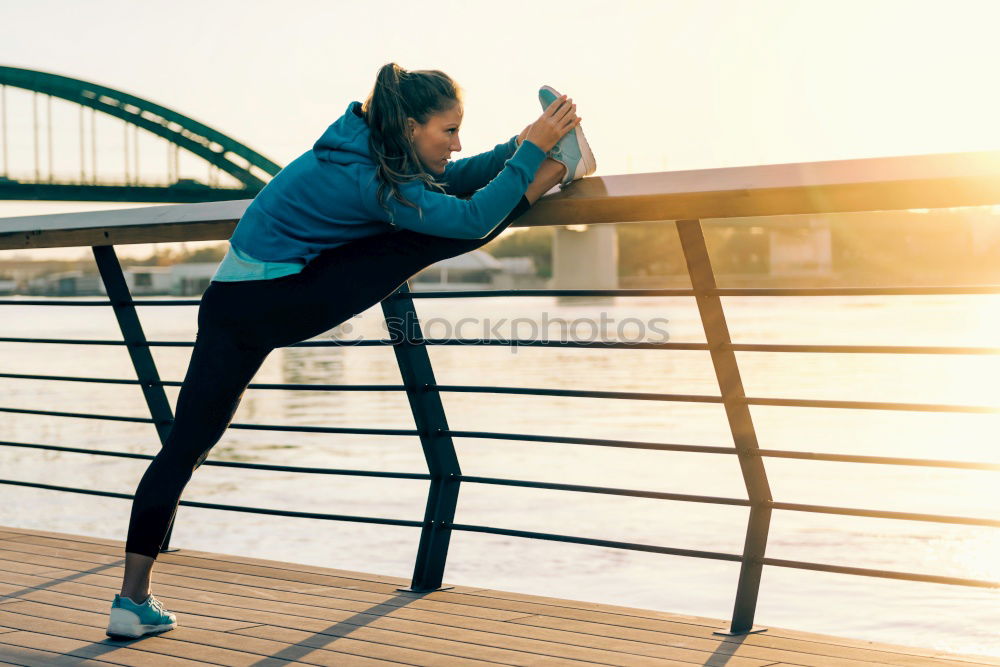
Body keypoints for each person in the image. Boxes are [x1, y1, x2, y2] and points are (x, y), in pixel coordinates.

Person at [105, 62, 594, 639]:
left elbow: (453, 179)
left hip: (229, 304)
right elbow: (470, 216)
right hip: (278, 299)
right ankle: (565, 165)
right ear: (410, 127)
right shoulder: (371, 180)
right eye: (448, 130)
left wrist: (519, 145)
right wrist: (536, 154)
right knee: (429, 236)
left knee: (183, 448)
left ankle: (129, 603)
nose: (456, 142)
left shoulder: (370, 150)